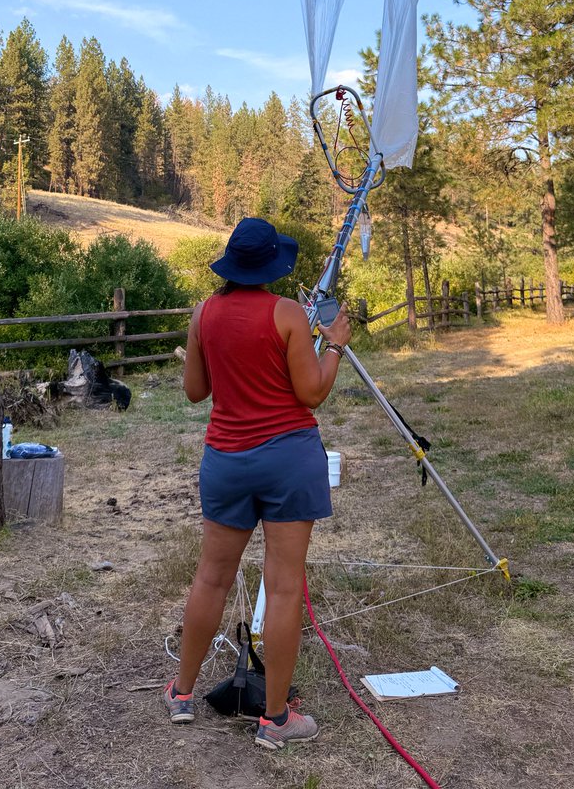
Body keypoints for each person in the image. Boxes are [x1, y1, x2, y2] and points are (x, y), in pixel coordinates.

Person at [162, 216, 351, 750]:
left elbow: (195, 392)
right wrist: (334, 345)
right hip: (289, 460)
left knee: (211, 578)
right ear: (271, 265)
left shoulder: (203, 313)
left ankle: (181, 693)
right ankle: (275, 719)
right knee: (285, 586)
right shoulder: (287, 313)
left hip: (226, 461)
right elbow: (311, 393)